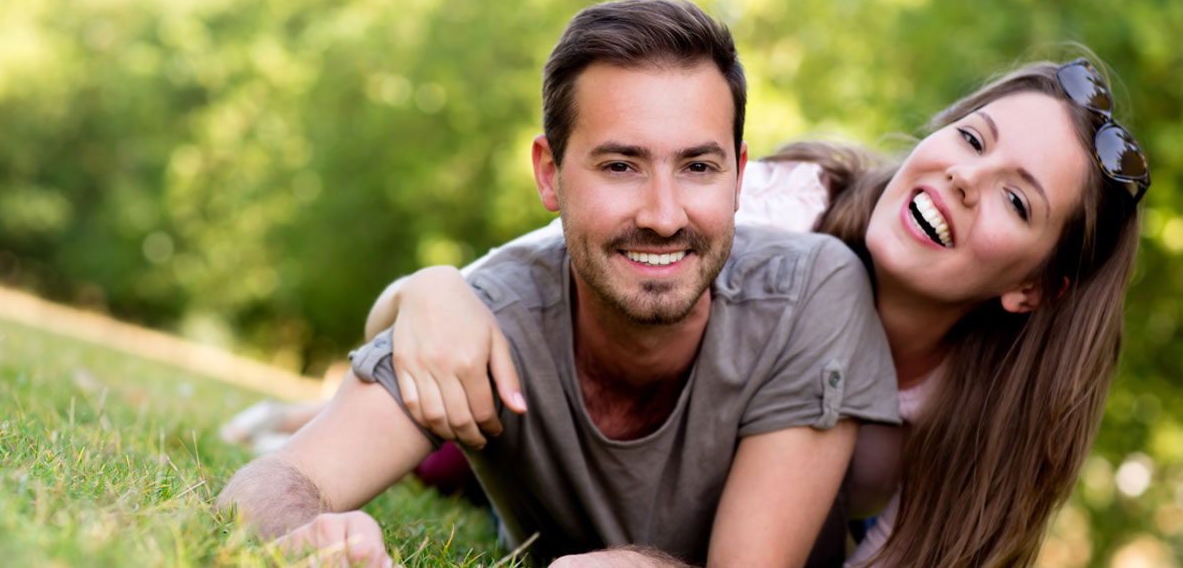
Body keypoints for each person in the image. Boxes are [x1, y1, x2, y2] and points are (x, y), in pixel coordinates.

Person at [378, 54, 1149, 567]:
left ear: (1035, 289)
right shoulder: (778, 209)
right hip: (598, 448)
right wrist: (428, 289)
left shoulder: (976, 422)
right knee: (452, 442)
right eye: (972, 138)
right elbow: (517, 290)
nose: (966, 180)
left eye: (1017, 199)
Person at [215, 0, 901, 568]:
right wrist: (309, 533)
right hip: (510, 421)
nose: (664, 216)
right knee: (450, 458)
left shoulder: (811, 292)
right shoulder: (489, 312)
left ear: (739, 175)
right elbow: (271, 486)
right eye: (620, 166)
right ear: (549, 173)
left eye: (698, 167)